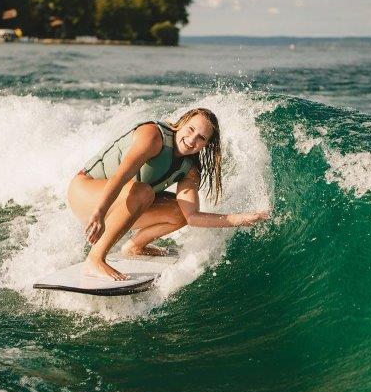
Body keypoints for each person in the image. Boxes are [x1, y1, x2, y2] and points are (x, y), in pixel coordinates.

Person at [67, 108, 270, 280]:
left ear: (206, 145)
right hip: (86, 192)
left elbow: (192, 217)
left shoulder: (190, 169)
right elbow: (120, 177)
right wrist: (99, 212)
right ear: (182, 122)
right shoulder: (153, 136)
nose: (192, 139)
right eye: (191, 129)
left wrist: (240, 219)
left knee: (178, 211)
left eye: (201, 138)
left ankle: (135, 246)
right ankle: (95, 259)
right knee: (143, 192)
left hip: (120, 200)